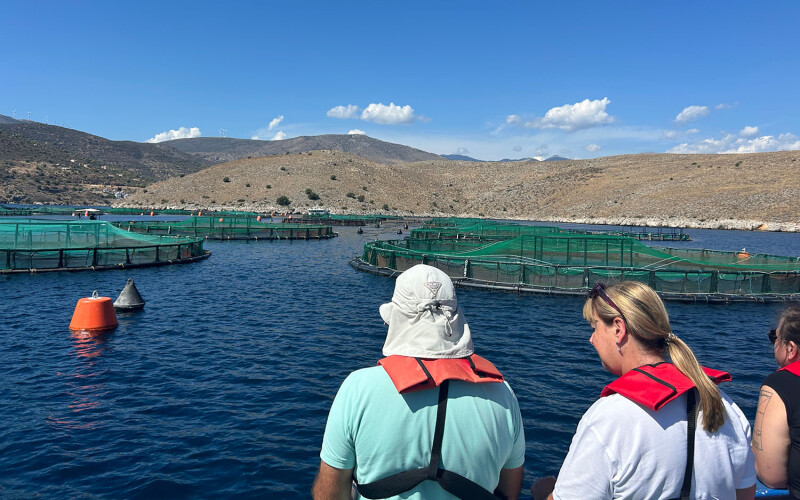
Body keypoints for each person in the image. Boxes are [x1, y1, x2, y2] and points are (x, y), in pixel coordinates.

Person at [312, 264, 525, 500]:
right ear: (455, 319)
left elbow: (329, 494)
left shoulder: (357, 389)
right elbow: (508, 492)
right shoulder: (503, 395)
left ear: (398, 321)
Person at [532, 281, 755, 500]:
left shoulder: (608, 419)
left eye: (595, 327)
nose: (591, 339)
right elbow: (745, 494)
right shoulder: (725, 405)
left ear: (618, 329)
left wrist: (544, 493)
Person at [753, 305, 800, 497]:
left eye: (774, 337)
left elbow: (772, 475)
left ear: (791, 349)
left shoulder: (780, 384)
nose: (773, 343)